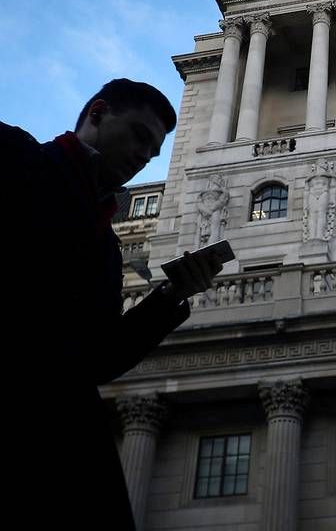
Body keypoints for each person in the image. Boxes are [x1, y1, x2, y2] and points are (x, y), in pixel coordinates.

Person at [2, 78, 221, 529]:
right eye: (139, 137)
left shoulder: (106, 247)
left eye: (154, 153)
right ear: (97, 114)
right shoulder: (19, 158)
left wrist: (171, 295)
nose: (143, 158)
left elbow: (98, 357)